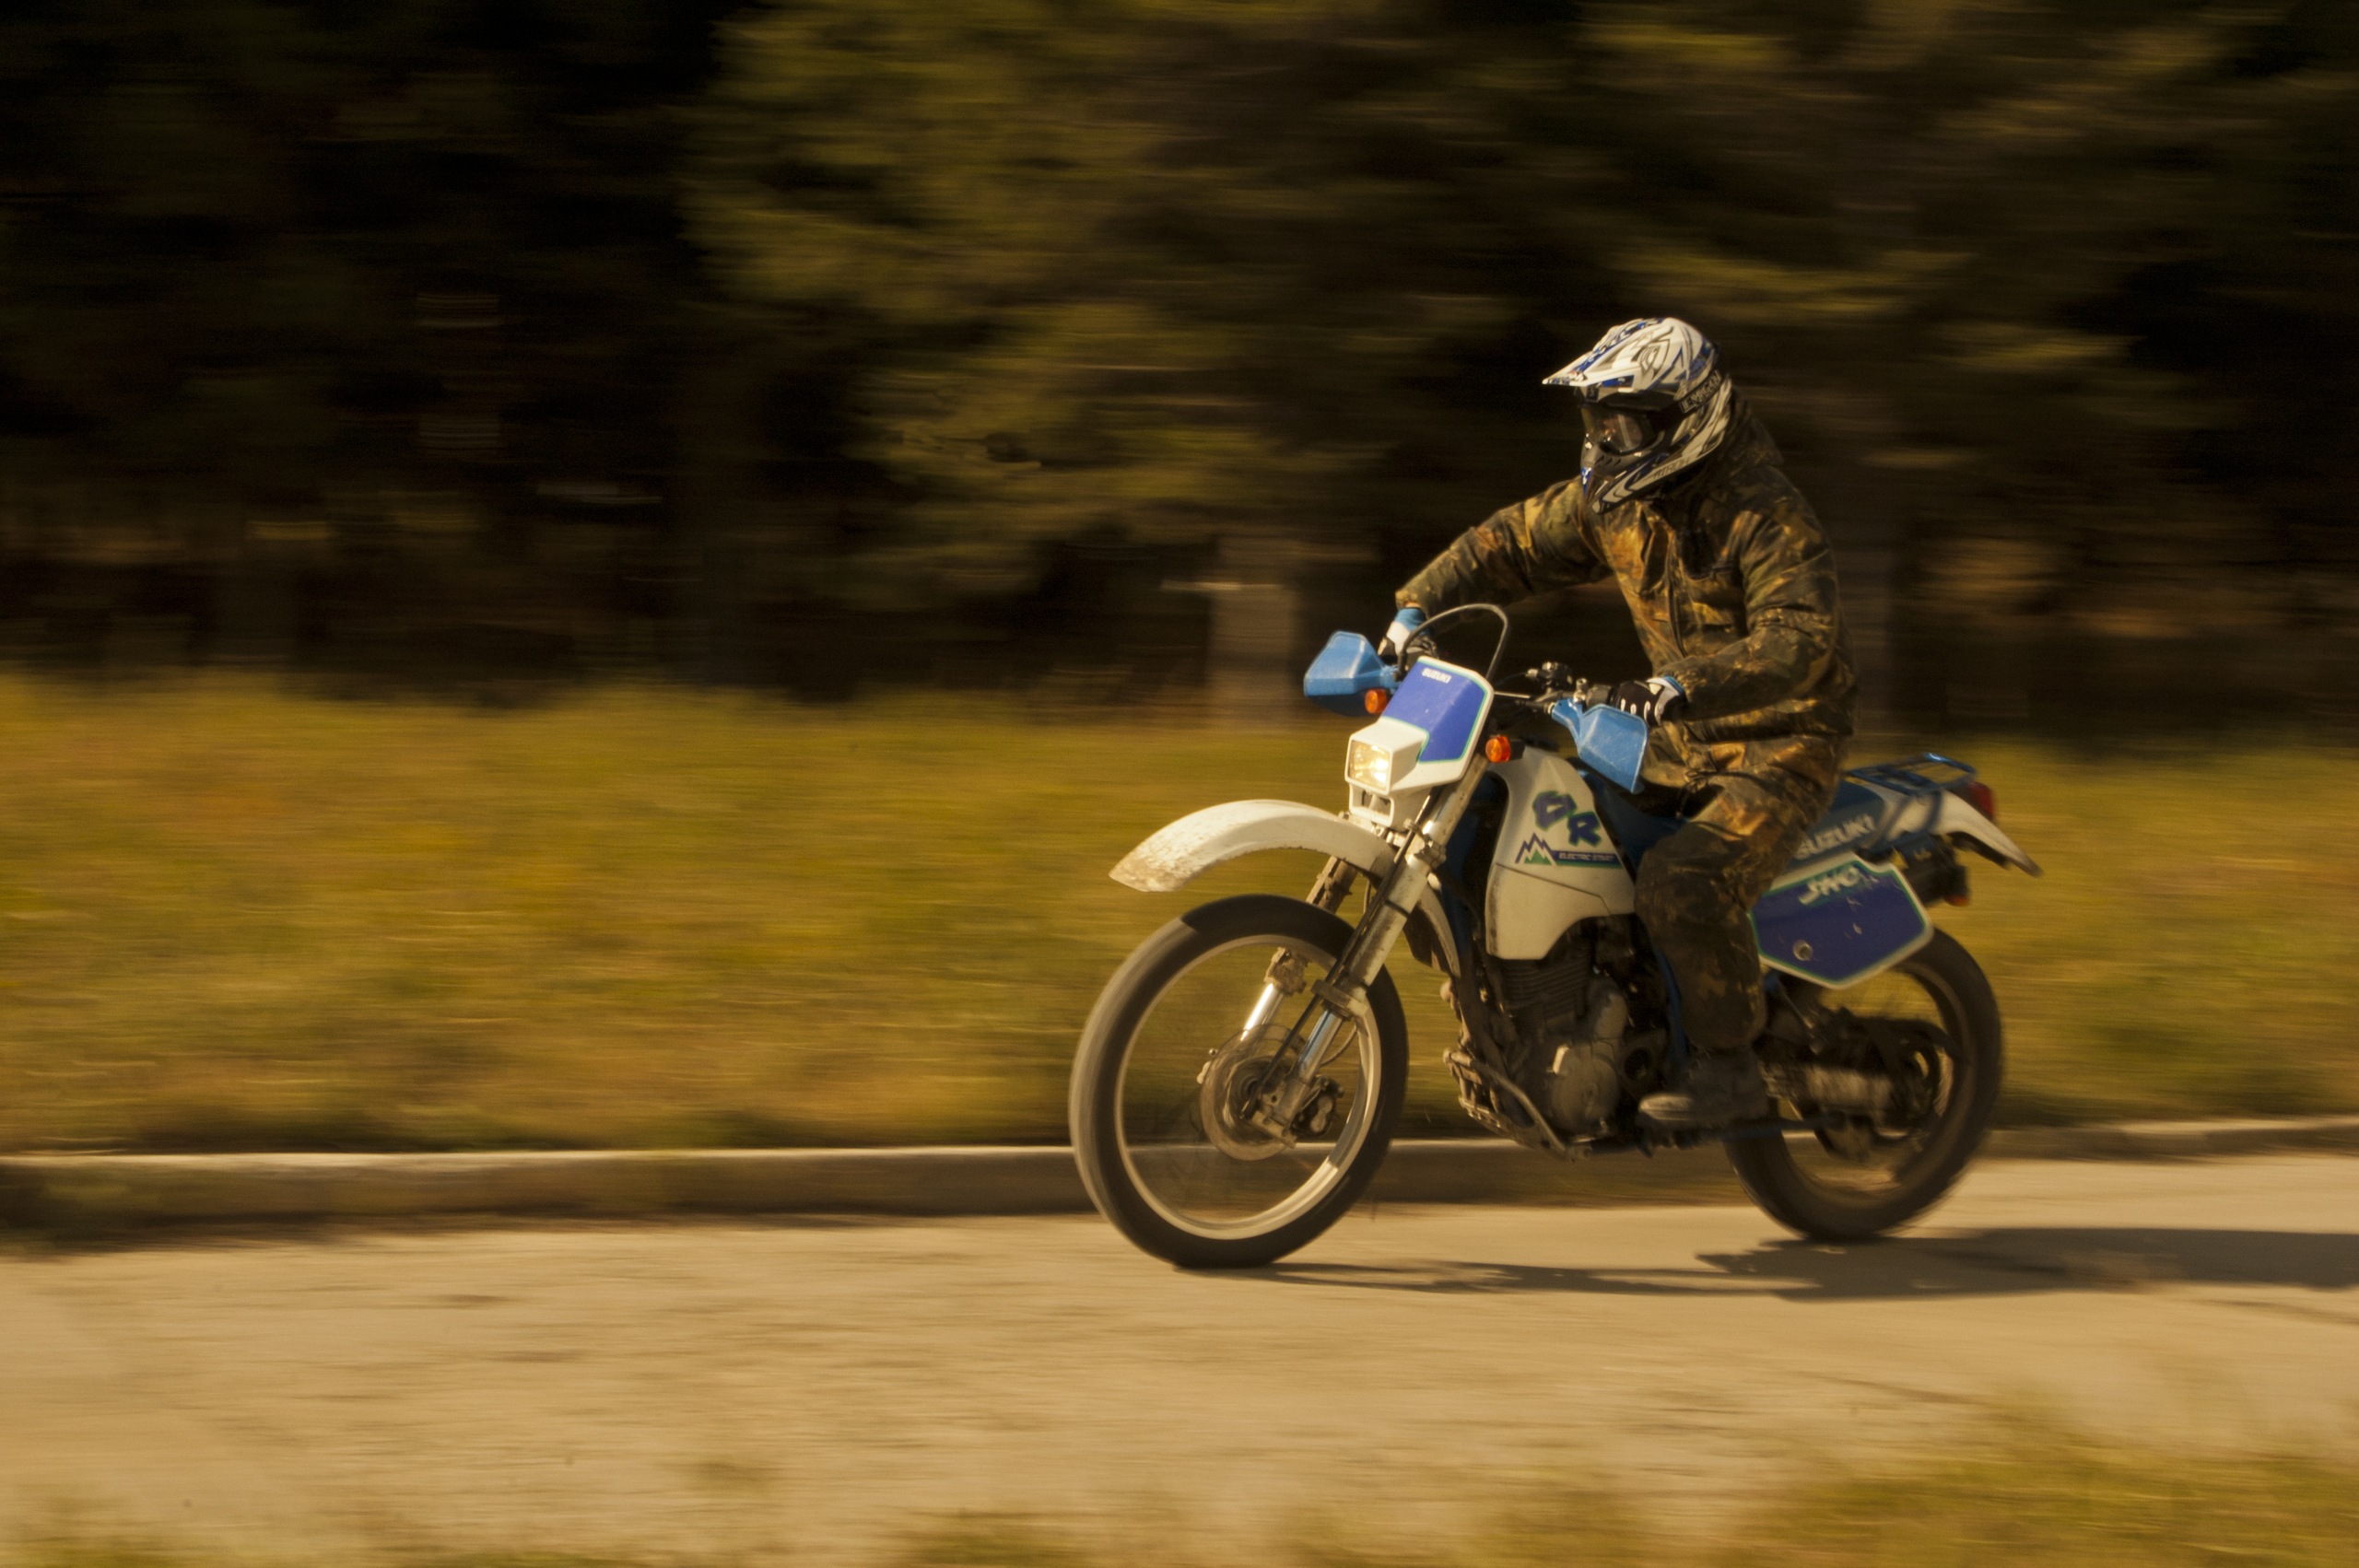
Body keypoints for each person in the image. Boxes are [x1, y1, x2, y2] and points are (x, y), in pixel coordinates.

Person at [1383, 317, 1856, 1132]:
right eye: (1599, 420)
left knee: (1680, 883)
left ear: (1685, 418)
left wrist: (1674, 686)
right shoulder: (1623, 503)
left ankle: (1730, 1068)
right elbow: (1513, 543)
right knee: (1540, 825)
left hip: (1779, 749)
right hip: (1675, 745)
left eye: (1626, 423)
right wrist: (1414, 609)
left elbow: (1799, 640)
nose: (1607, 439)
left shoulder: (1767, 515)